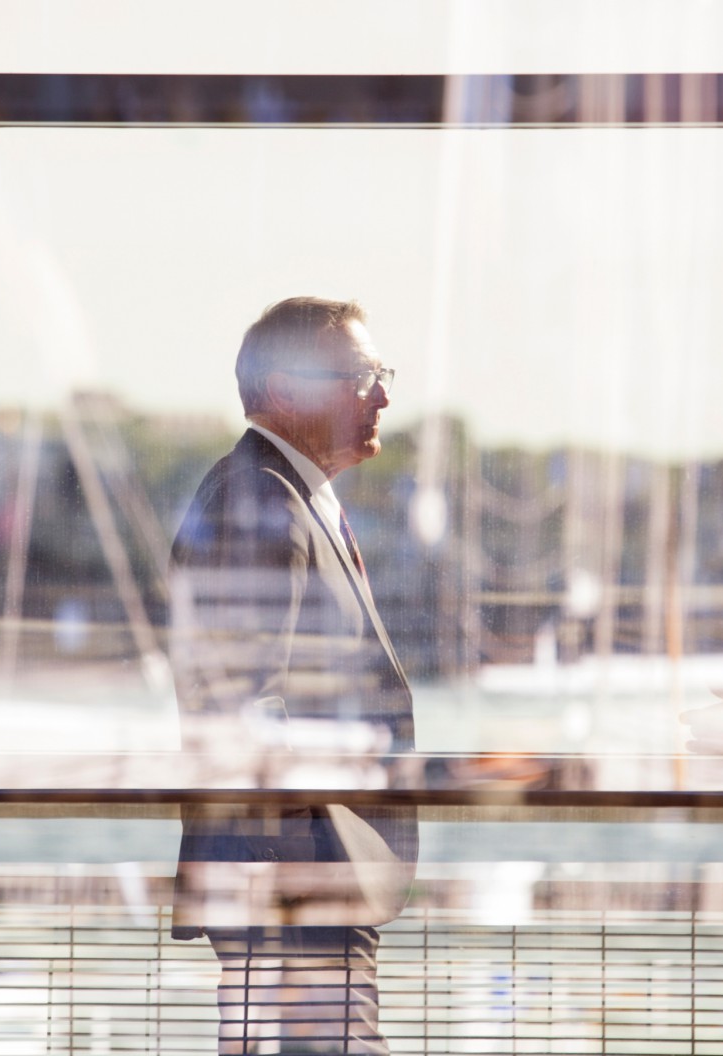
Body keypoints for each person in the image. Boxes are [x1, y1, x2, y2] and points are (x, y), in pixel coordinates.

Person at [167, 297, 415, 1055]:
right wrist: (297, 884)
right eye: (360, 375)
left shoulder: (285, 495)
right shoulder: (260, 499)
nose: (381, 396)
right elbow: (244, 707)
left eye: (380, 375)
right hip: (293, 885)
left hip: (303, 881)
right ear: (284, 389)